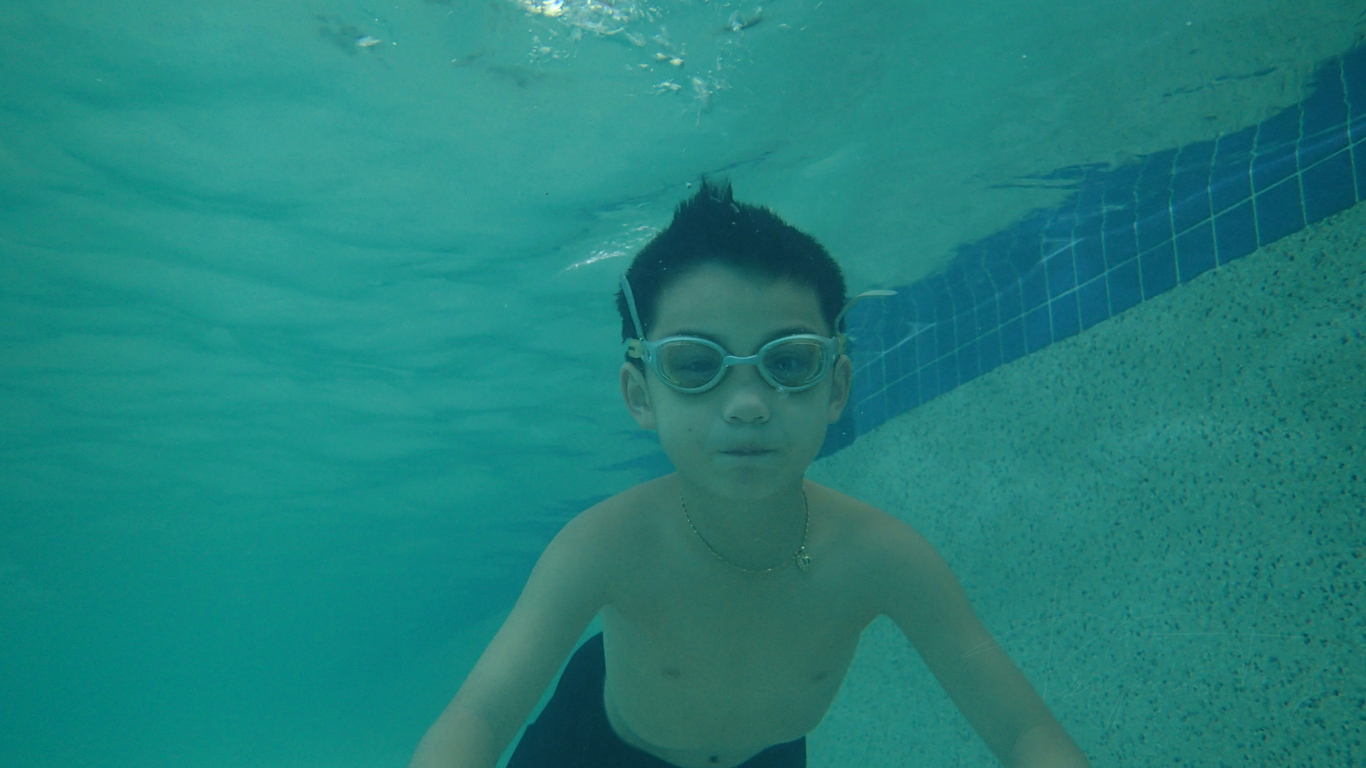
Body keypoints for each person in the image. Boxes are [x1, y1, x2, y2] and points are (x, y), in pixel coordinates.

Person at [409, 181, 1090, 768]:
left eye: (788, 362)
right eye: (695, 365)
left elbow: (1023, 731)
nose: (747, 405)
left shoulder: (884, 559)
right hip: (596, 748)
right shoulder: (603, 546)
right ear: (641, 395)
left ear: (836, 387)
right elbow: (480, 716)